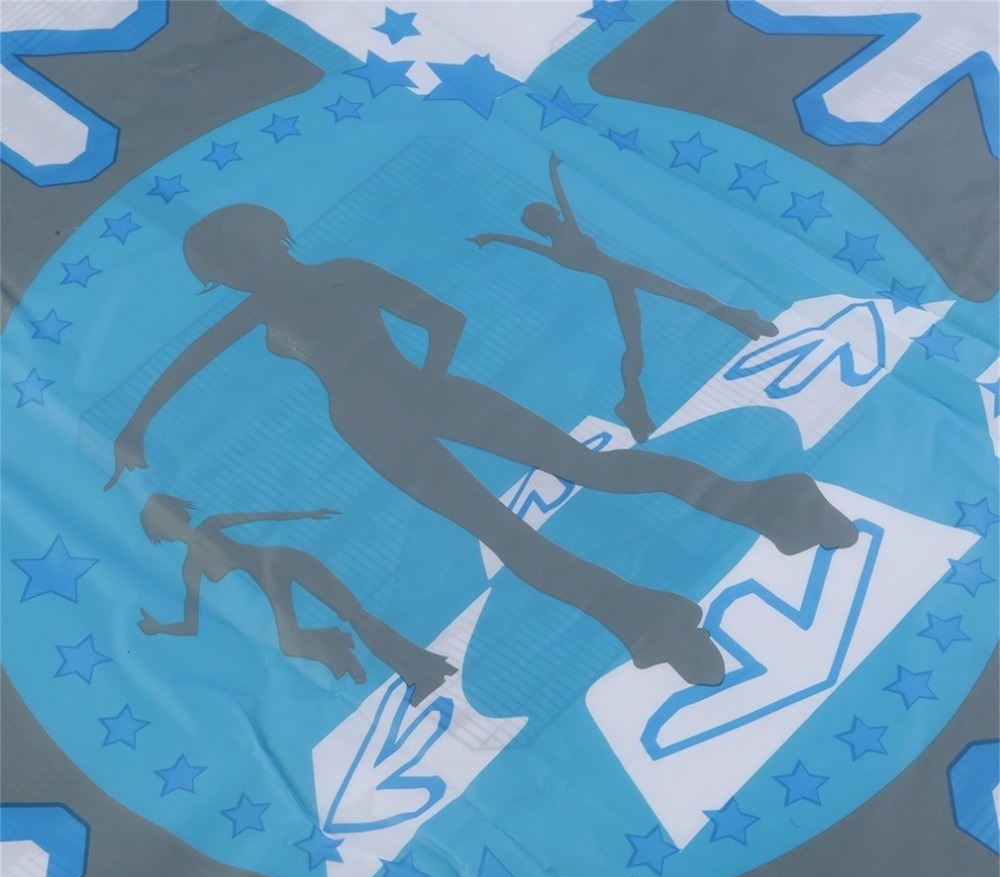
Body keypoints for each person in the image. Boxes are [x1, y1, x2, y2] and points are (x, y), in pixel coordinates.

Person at [107, 203, 858, 688]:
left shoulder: (318, 283)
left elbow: (443, 318)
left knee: (565, 485)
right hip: (386, 416)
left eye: (237, 262)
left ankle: (755, 519)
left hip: (394, 407)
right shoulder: (300, 291)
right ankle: (662, 604)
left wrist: (424, 385)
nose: (243, 276)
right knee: (526, 514)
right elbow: (194, 361)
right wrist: (136, 427)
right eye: (233, 270)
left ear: (258, 249)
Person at [470, 154, 778, 442]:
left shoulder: (554, 250)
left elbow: (523, 241)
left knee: (651, 330)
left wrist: (492, 236)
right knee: (679, 306)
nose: (557, 213)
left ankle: (742, 322)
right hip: (624, 277)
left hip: (620, 281)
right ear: (548, 219)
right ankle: (634, 402)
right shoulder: (567, 234)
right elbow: (560, 202)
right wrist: (552, 171)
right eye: (552, 213)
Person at [136, 494, 456, 704]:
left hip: (287, 561)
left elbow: (261, 516)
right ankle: (388, 663)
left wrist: (309, 513)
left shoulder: (209, 527)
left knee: (355, 613)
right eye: (162, 525)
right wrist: (159, 627)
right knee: (292, 644)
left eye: (168, 516)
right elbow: (191, 624)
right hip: (272, 585)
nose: (171, 526)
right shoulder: (191, 566)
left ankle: (419, 670)